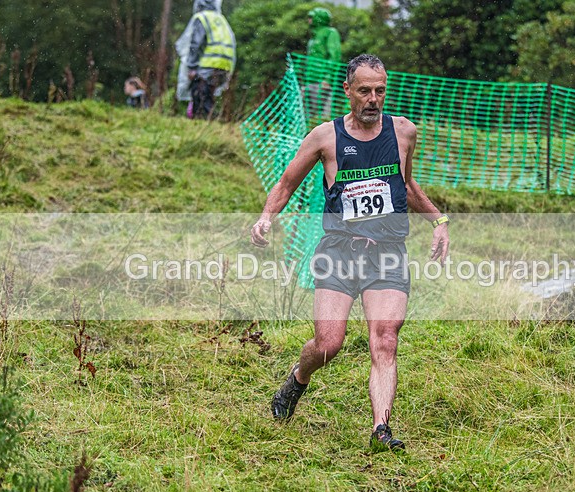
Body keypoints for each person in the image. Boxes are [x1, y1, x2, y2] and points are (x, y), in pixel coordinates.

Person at [251, 54, 451, 451]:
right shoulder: (325, 137)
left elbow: (406, 185)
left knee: (385, 339)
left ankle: (381, 430)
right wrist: (266, 218)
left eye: (380, 91)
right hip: (339, 251)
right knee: (329, 344)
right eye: (364, 91)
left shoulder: (404, 132)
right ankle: (298, 378)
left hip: (387, 253)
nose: (373, 99)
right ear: (347, 90)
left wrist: (439, 220)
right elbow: (287, 182)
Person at [182, 0, 236, 120]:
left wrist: (191, 67)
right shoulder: (221, 19)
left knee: (200, 94)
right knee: (208, 96)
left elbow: (195, 43)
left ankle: (202, 122)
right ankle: (210, 121)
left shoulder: (202, 17)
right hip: (225, 64)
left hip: (209, 63)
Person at [304, 7, 341, 121]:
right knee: (308, 118)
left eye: (311, 17)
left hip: (322, 81)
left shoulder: (330, 32)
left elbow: (334, 56)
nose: (309, 20)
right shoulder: (313, 37)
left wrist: (328, 78)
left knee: (322, 118)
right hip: (310, 80)